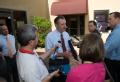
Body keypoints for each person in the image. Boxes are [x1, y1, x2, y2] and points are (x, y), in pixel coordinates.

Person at [45, 16, 71, 82]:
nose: (65, 26)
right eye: (62, 24)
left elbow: (68, 47)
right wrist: (62, 54)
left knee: (66, 79)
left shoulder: (66, 34)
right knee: (56, 80)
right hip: (55, 63)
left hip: (66, 61)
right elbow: (49, 54)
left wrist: (71, 52)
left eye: (65, 24)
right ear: (56, 25)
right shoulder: (49, 36)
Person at [104, 12, 120, 82]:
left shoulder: (117, 32)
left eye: (110, 19)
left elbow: (106, 49)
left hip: (113, 63)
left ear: (117, 19)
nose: (108, 21)